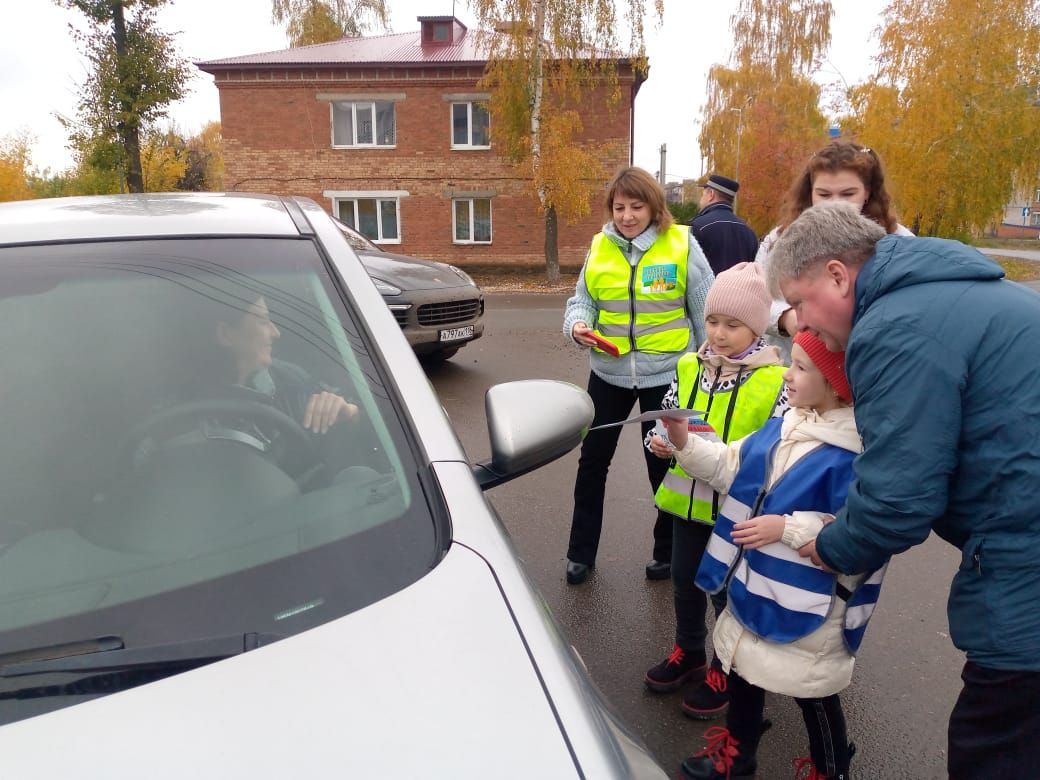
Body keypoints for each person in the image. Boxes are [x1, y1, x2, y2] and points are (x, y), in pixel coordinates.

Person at [768, 201, 1040, 779]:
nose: (800, 324)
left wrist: (836, 545)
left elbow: (899, 498)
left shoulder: (893, 328)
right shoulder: (951, 292)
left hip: (1027, 555)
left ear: (839, 275)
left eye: (799, 301)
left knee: (995, 745)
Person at [664, 330, 883, 780]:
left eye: (801, 367)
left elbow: (857, 528)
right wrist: (685, 442)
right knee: (743, 668)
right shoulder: (784, 425)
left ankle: (831, 766)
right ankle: (737, 756)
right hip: (755, 581)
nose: (787, 372)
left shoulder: (856, 454)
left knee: (812, 688)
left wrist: (786, 528)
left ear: (837, 384)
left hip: (813, 602)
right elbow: (729, 465)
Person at [644, 262, 787, 721]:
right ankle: (690, 651)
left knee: (726, 592)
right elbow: (668, 411)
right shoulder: (689, 365)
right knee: (684, 579)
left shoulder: (775, 381)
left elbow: (780, 448)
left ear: (758, 326)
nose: (719, 334)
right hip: (687, 502)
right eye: (712, 321)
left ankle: (728, 668)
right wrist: (661, 440)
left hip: (736, 512)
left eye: (733, 325)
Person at [563, 166, 714, 585]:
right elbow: (581, 302)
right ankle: (580, 555)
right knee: (591, 463)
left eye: (636, 206)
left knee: (664, 465)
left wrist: (707, 367)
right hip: (607, 374)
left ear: (653, 206)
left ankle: (666, 554)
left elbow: (705, 310)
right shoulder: (600, 247)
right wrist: (577, 327)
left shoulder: (681, 243)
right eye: (619, 207)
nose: (627, 216)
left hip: (665, 376)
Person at [755, 140, 912, 355]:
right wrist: (787, 317)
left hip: (866, 360)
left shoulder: (897, 239)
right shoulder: (780, 239)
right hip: (796, 363)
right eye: (824, 194)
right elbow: (756, 295)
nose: (835, 204)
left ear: (867, 192)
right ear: (810, 193)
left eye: (848, 194)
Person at [688, 174, 759, 275]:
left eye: (703, 194)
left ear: (711, 194)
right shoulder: (749, 232)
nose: (701, 198)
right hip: (741, 290)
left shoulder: (697, 226)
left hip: (709, 290)